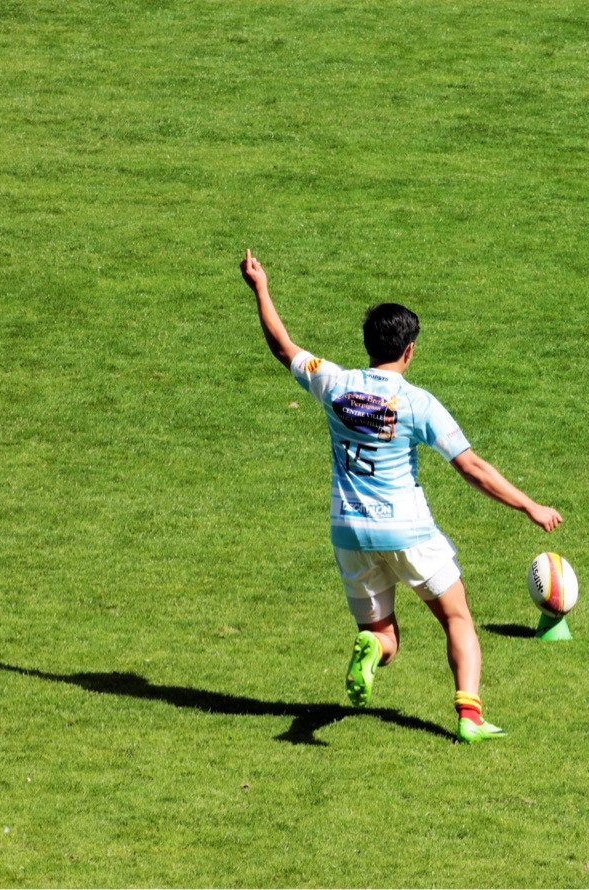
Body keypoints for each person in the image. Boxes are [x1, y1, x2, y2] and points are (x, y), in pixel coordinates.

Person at [240, 249, 563, 743]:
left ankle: (370, 650)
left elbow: (283, 347)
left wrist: (261, 288)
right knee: (457, 616)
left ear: (367, 345)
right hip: (407, 530)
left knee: (384, 636)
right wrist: (530, 505)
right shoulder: (416, 403)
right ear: (408, 351)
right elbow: (472, 468)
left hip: (348, 530)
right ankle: (470, 717)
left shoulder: (334, 382)